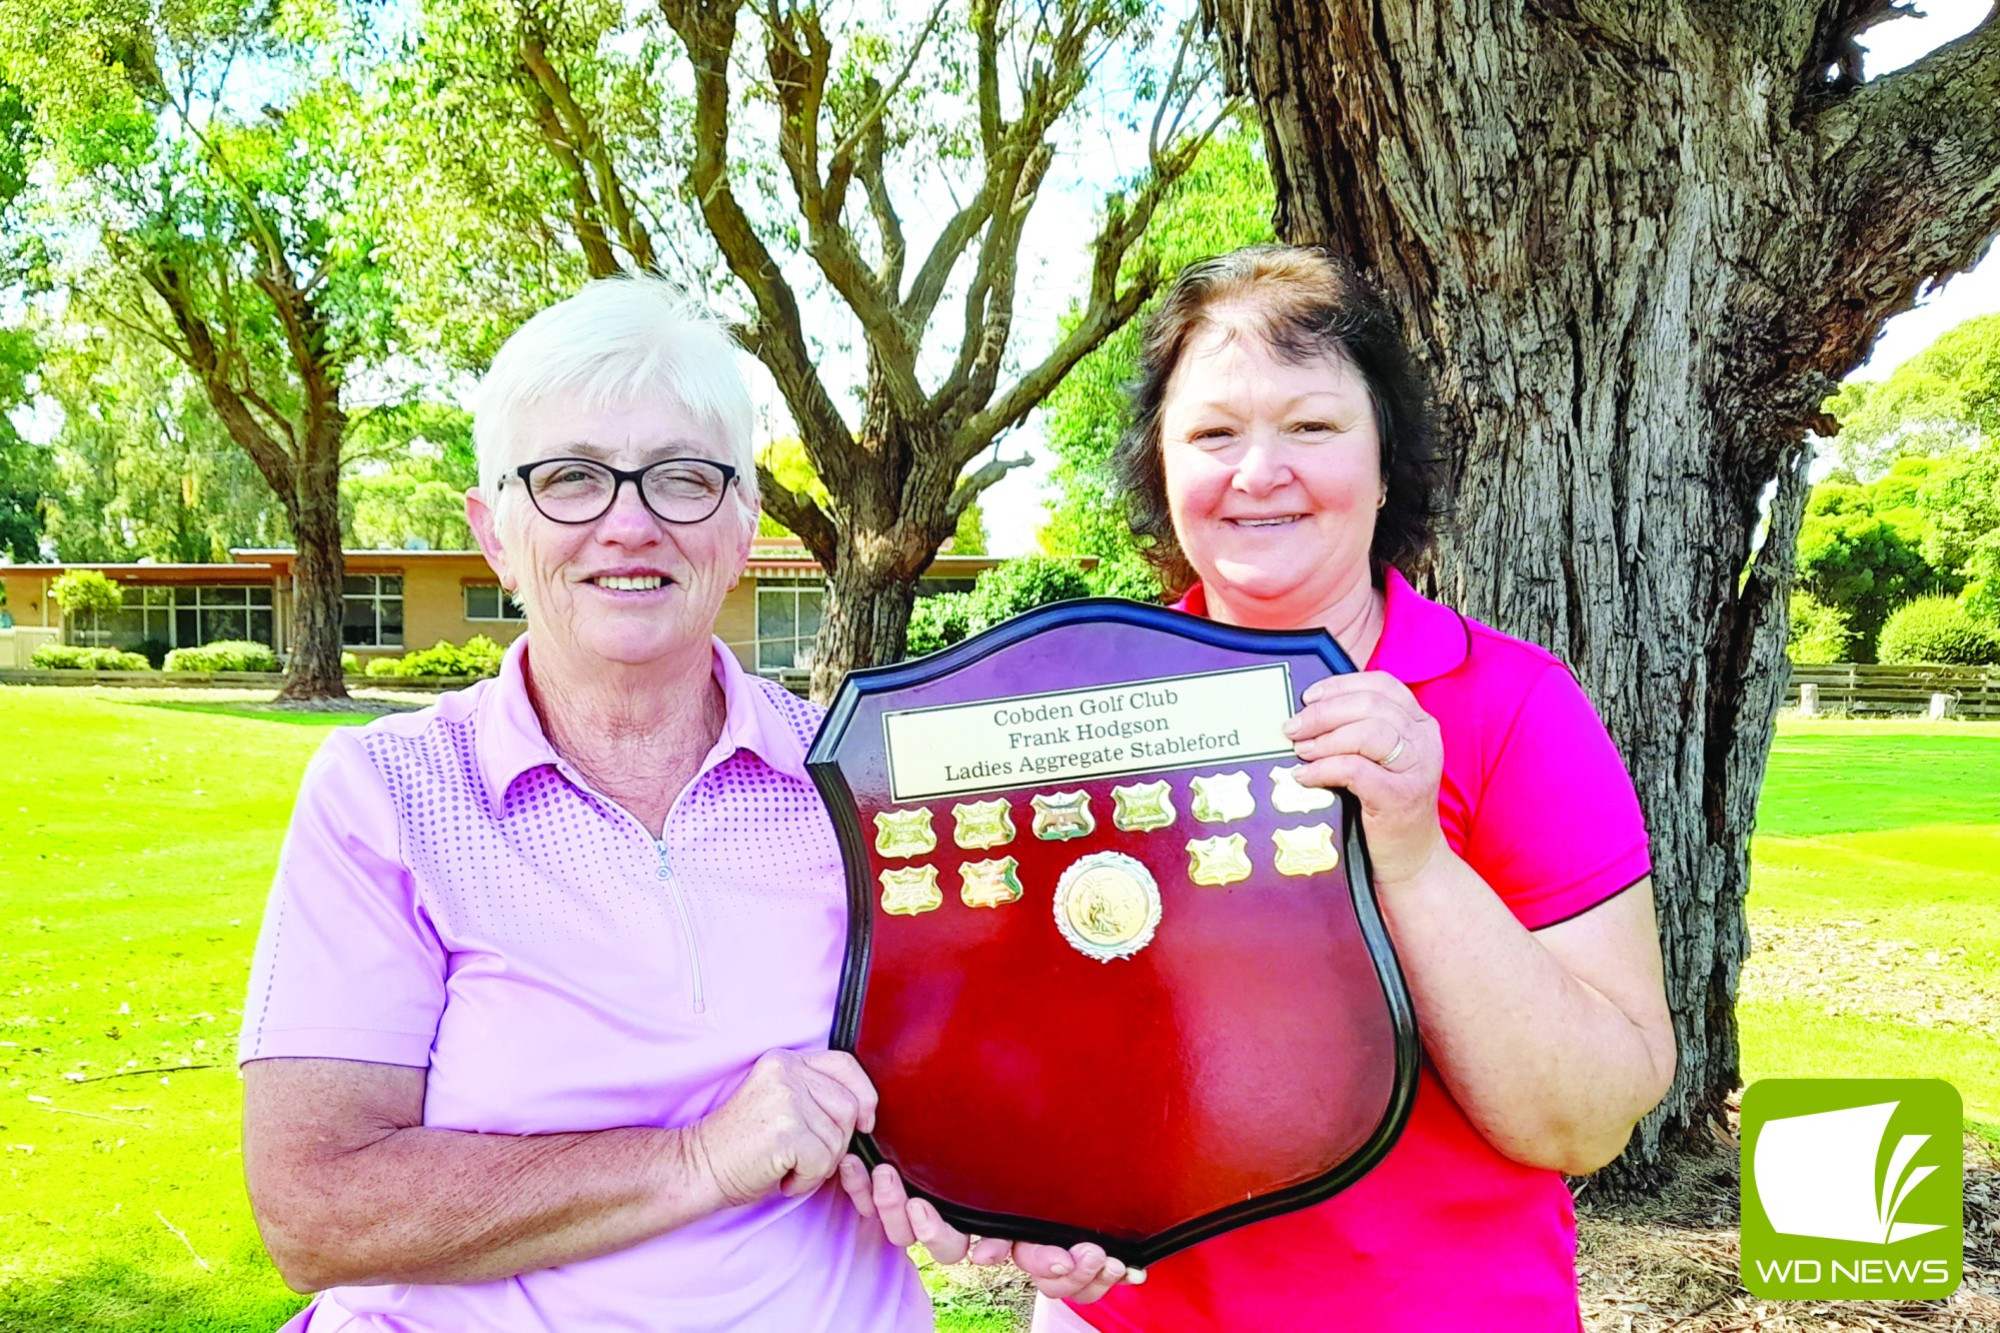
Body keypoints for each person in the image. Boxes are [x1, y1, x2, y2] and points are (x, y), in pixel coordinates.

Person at [235, 276, 1123, 1331]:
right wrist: (700, 1157)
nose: (627, 524)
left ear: (743, 524)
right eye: (570, 478)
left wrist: (996, 1190)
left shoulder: (857, 777)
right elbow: (316, 1210)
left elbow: (975, 1082)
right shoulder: (388, 793)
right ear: (493, 532)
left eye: (682, 479)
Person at [866, 245, 1678, 1329]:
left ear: (1384, 461)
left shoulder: (1513, 704)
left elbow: (1582, 1123)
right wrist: (1012, 1201)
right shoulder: (1064, 716)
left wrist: (1412, 853)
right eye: (1211, 434)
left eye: (1310, 426)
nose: (1258, 472)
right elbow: (1017, 1045)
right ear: (1160, 472)